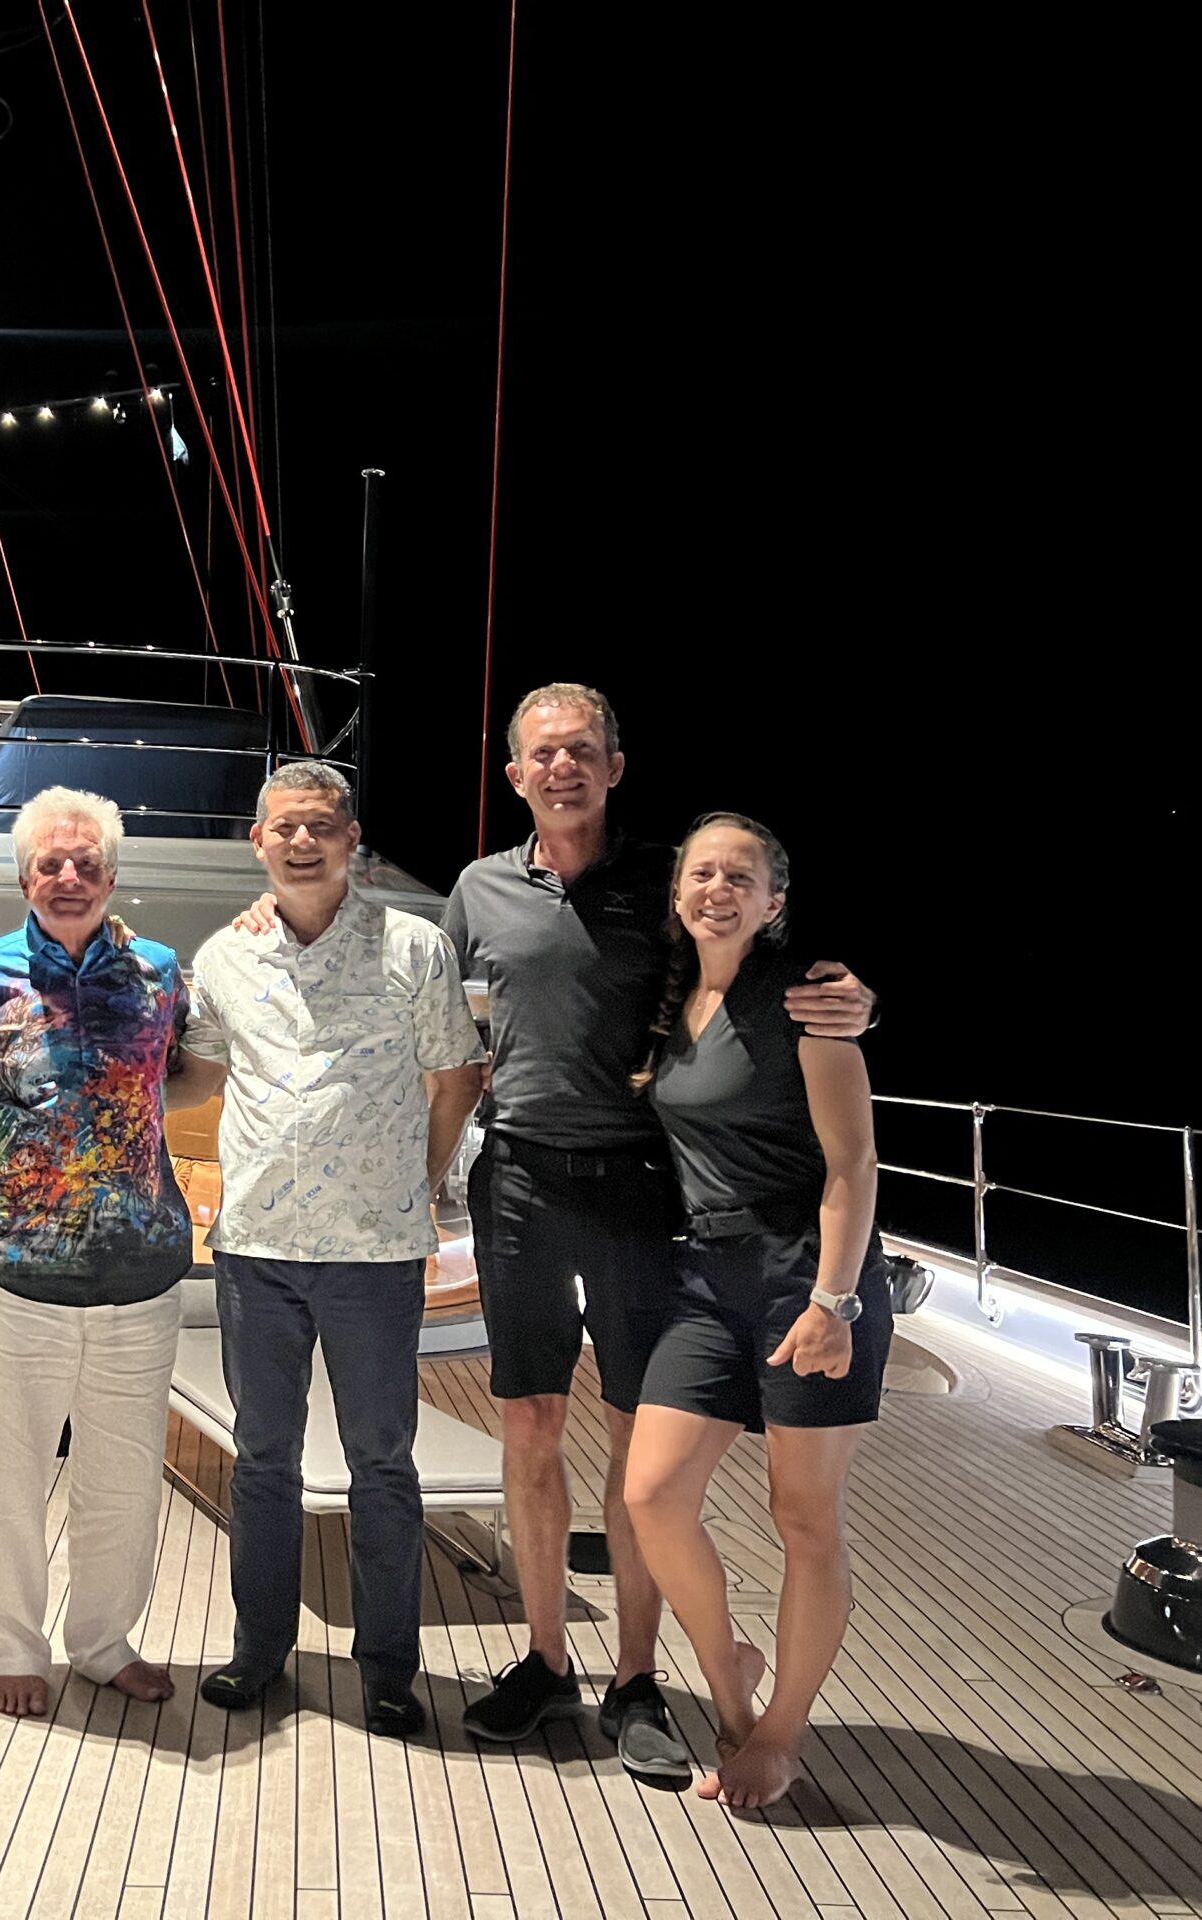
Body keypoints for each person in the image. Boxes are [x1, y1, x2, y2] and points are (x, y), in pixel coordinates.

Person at [438, 684, 872, 1787]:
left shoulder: (665, 879)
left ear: (615, 767)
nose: (563, 767)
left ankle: (636, 1680)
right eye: (543, 754)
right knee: (531, 1426)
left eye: (582, 750)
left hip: (642, 1193)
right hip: (520, 1184)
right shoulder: (478, 889)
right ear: (515, 774)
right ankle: (545, 1657)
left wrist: (861, 1003)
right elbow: (427, 1014)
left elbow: (772, 979)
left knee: (637, 1443)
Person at [182, 761, 484, 1736]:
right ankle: (257, 1649)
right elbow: (196, 1071)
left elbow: (454, 1079)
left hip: (373, 1252)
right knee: (263, 1457)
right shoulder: (225, 957)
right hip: (257, 1245)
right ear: (257, 843)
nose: (301, 841)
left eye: (321, 826)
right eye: (284, 827)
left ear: (350, 841)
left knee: (380, 1462)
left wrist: (419, 1185)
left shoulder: (414, 948)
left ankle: (389, 1667)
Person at [0, 785, 225, 1718]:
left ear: (113, 875)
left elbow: (184, 1077)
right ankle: (11, 1645)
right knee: (8, 1468)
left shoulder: (159, 973)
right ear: (23, 874)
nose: (69, 876)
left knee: (124, 1473)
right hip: (11, 1269)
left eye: (87, 862)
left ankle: (102, 1642)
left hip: (140, 1269)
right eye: (51, 862)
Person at [621, 813, 892, 1809]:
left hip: (803, 1276)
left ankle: (778, 1733)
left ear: (773, 903)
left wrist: (833, 1300)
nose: (717, 888)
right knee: (651, 1497)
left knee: (802, 1518)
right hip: (707, 1277)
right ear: (679, 892)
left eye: (741, 876)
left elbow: (853, 1164)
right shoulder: (672, 1002)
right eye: (701, 872)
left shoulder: (808, 1009)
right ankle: (729, 1672)